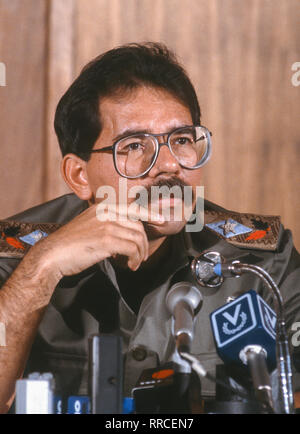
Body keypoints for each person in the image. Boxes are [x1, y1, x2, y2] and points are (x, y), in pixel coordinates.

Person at [0, 42, 299, 414]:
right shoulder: (16, 258)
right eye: (134, 145)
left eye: (182, 140)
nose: (169, 165)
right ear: (79, 175)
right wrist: (41, 269)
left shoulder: (259, 260)